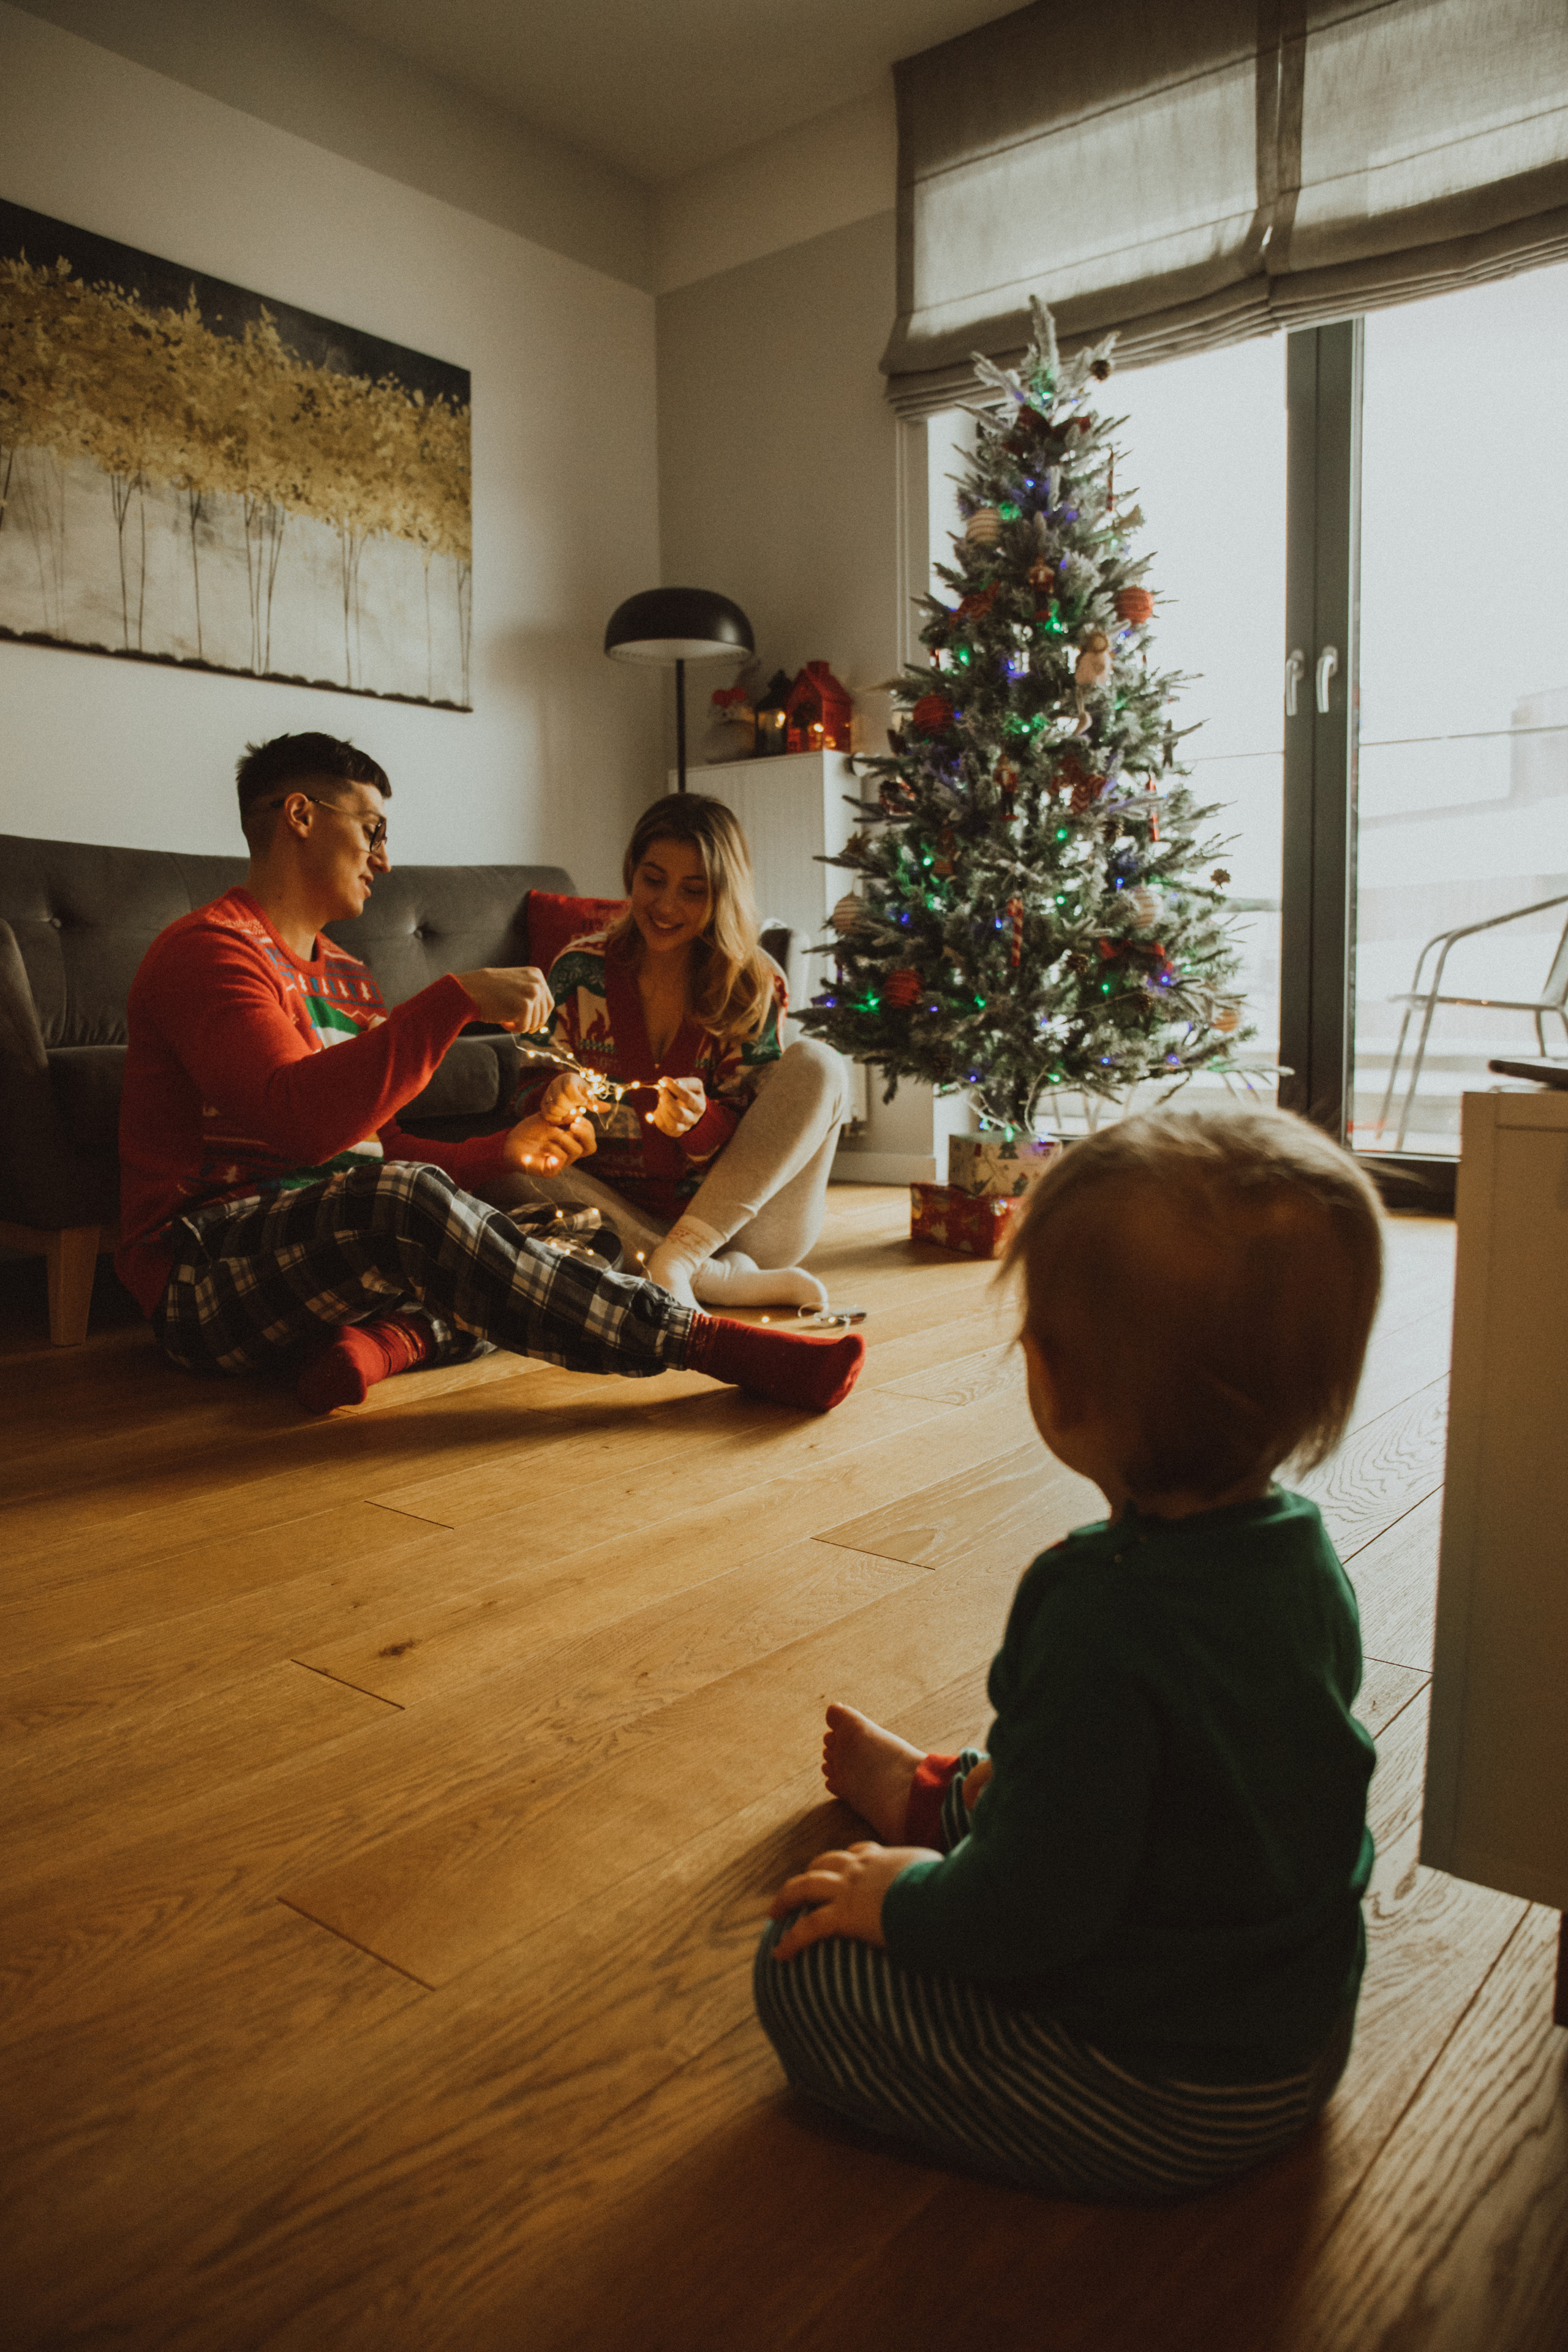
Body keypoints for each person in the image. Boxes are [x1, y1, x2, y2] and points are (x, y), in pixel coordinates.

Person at [754, 1106, 1384, 2203]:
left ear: (1054, 1376)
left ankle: (942, 1832)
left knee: (803, 1968)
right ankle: (942, 1797)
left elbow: (1028, 1919)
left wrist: (900, 1904)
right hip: (1300, 2035)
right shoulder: (1304, 1555)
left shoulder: (1100, 1611)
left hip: (1165, 2090)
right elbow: (1207, 1785)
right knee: (1067, 1776)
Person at [115, 732, 864, 1418]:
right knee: (413, 1207)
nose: (384, 858)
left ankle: (384, 1344)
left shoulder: (347, 977)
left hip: (329, 1275)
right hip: (208, 1276)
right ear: (302, 816)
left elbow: (386, 1152)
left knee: (566, 1235)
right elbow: (302, 1127)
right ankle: (710, 1345)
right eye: (372, 829)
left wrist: (505, 1153)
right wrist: (457, 999)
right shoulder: (210, 952)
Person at [504, 794, 850, 1311]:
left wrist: (700, 1122)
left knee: (821, 1065)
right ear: (631, 874)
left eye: (693, 890)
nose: (665, 906)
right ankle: (703, 1276)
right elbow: (528, 1088)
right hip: (614, 1208)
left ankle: (685, 1258)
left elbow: (756, 1133)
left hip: (745, 1228)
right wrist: (550, 1098)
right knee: (508, 1165)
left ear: (723, 894)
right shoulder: (578, 970)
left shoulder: (755, 983)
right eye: (653, 880)